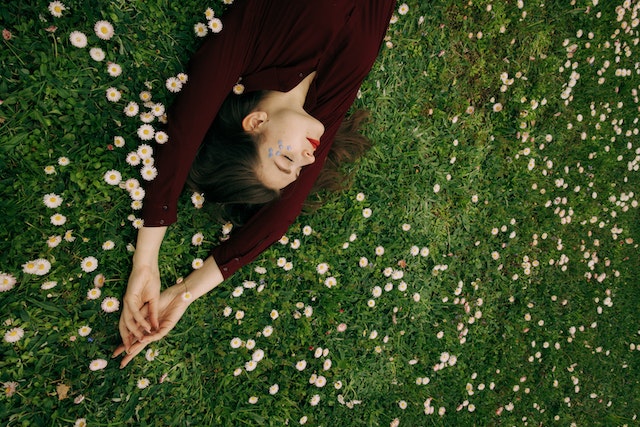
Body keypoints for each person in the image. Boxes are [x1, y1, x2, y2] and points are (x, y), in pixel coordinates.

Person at [113, 0, 397, 367]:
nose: (309, 160)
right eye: (296, 169)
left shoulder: (251, 42)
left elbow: (182, 135)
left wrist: (146, 262)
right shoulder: (326, 104)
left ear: (256, 123)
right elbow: (281, 217)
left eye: (285, 160)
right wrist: (184, 293)